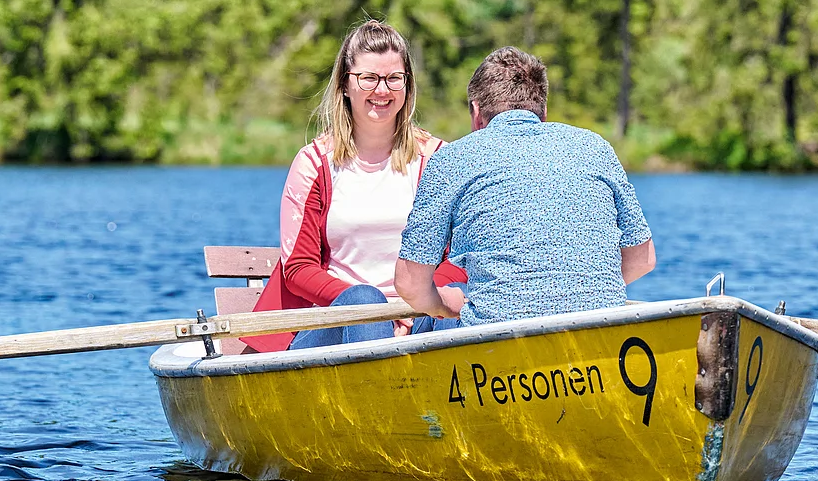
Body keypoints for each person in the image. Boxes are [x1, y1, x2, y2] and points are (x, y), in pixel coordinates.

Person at [394, 47, 655, 331]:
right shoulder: (596, 147)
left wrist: (444, 304)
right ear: (543, 111)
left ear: (477, 112)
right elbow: (643, 259)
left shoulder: (452, 158)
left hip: (499, 346)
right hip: (600, 337)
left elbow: (410, 283)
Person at [245, 19, 461, 351]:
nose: (382, 90)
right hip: (331, 326)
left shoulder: (436, 160)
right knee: (364, 298)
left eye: (393, 79)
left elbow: (457, 255)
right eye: (369, 78)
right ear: (346, 84)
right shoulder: (314, 163)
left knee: (445, 316)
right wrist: (375, 312)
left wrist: (415, 305)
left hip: (418, 319)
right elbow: (299, 268)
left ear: (408, 85)